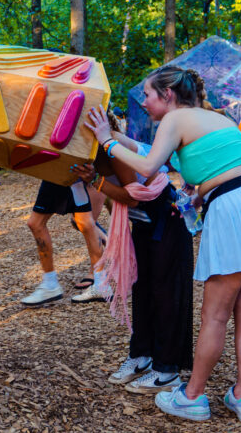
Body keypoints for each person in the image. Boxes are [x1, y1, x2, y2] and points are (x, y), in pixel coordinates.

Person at [85, 65, 241, 422]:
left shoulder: (175, 119)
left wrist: (107, 140)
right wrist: (118, 137)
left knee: (214, 314)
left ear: (168, 95)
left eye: (149, 95)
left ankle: (192, 397)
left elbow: (149, 165)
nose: (145, 103)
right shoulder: (214, 118)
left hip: (235, 208)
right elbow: (209, 163)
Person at [74, 118, 193, 394]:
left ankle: (167, 369)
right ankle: (142, 355)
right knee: (142, 289)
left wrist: (95, 180)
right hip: (142, 220)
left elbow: (132, 197)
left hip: (165, 216)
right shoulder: (86, 150)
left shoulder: (111, 144)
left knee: (165, 293)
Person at [21, 179, 108, 306]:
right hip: (63, 176)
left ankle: (51, 284)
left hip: (63, 175)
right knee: (85, 223)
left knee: (37, 223)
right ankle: (100, 283)